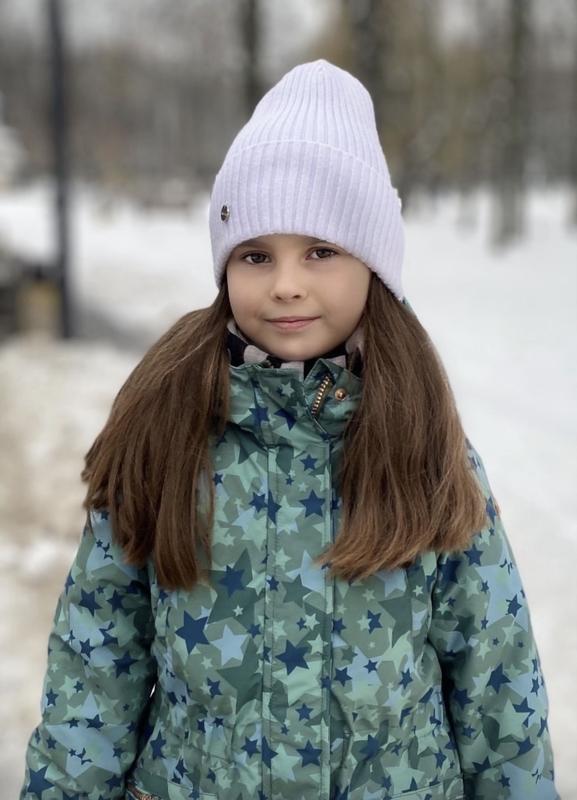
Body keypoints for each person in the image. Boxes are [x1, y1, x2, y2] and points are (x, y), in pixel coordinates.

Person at [20, 59, 557, 800]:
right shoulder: (166, 434)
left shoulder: (426, 448)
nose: (285, 284)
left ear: (373, 264)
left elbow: (496, 675)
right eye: (255, 255)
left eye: (321, 251)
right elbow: (96, 662)